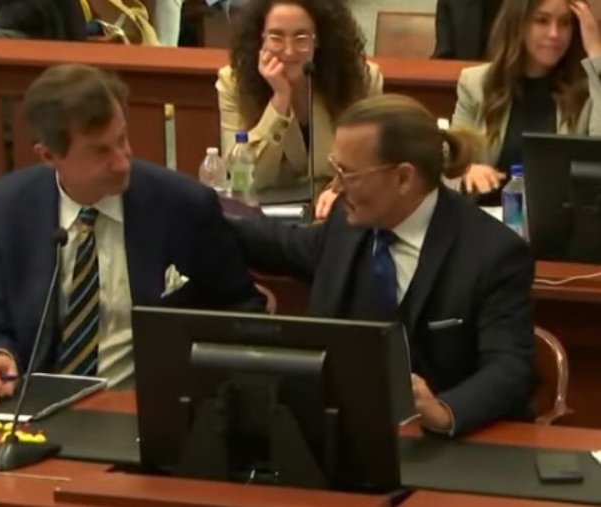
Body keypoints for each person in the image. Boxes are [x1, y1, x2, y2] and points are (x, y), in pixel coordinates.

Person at [231, 94, 535, 436]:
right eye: (336, 168)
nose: (336, 186)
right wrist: (196, 207)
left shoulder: (493, 252)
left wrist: (445, 411)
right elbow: (279, 244)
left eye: (348, 173)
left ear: (404, 178)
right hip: (344, 434)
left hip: (442, 446)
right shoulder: (345, 225)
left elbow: (509, 366)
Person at [0, 64, 265, 402]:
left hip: (145, 408)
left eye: (122, 140)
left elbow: (243, 308)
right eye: (100, 151)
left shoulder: (181, 205)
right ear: (49, 156)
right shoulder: (6, 209)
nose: (122, 162)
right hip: (37, 409)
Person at [216, 0, 382, 195]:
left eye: (301, 38)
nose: (289, 51)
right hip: (266, 205)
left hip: (339, 203)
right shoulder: (234, 83)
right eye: (276, 37)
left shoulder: (359, 79)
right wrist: (279, 101)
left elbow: (371, 164)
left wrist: (339, 190)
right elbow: (241, 177)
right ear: (261, 39)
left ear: (318, 39)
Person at [453, 0, 601, 204]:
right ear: (517, 24)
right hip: (486, 214)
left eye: (565, 23)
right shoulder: (476, 83)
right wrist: (467, 170)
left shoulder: (589, 89)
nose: (554, 34)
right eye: (542, 21)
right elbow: (452, 157)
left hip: (557, 218)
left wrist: (596, 55)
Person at [433, 0, 504, 60]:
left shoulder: (510, 6)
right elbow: (443, 55)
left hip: (504, 70)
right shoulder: (450, 3)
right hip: (460, 69)